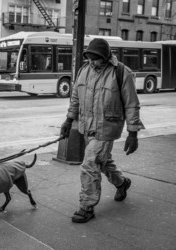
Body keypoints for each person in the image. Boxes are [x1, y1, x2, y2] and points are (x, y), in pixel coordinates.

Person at [60, 38, 145, 223]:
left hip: (107, 128)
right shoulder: (84, 70)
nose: (92, 62)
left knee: (89, 165)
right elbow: (75, 98)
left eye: (96, 58)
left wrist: (133, 134)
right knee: (102, 161)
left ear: (106, 57)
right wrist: (68, 121)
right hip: (87, 128)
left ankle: (86, 206)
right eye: (89, 57)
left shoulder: (122, 72)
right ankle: (122, 183)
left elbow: (132, 105)